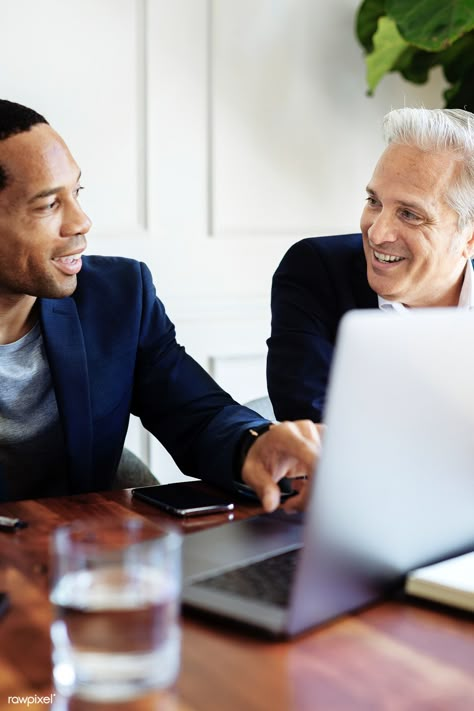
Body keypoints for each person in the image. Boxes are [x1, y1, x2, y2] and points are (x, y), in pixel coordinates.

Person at [0, 99, 321, 510]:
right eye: (49, 205)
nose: (81, 222)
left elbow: (197, 415)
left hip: (78, 555)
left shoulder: (117, 296)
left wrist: (254, 445)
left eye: (76, 192)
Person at [267, 107, 474, 422]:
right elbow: (313, 435)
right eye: (374, 202)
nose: (376, 233)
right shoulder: (315, 270)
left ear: (469, 238)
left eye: (409, 214)